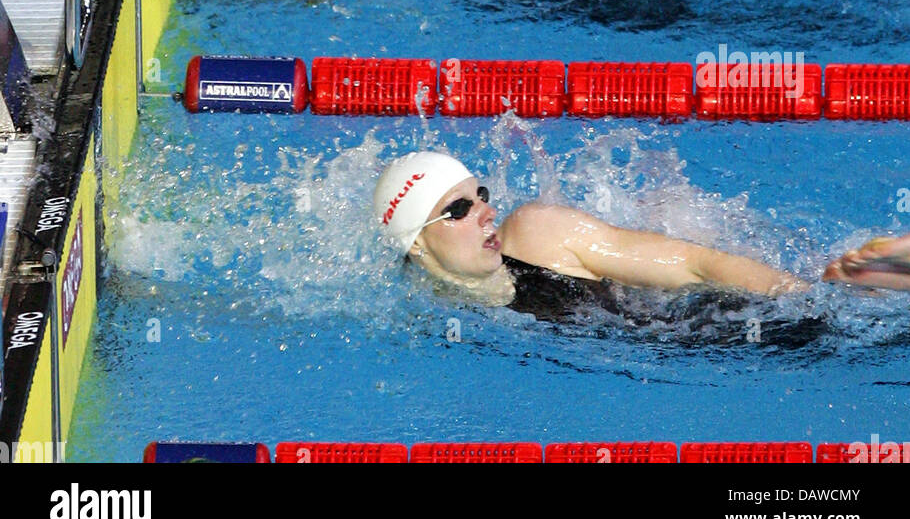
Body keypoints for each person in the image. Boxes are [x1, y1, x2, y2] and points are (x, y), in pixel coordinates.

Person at [374, 151, 910, 320]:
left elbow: (694, 264)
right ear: (416, 243)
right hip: (686, 365)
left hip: (712, 326)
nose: (486, 212)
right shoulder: (423, 306)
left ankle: (850, 286)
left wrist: (800, 295)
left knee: (839, 314)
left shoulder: (537, 235)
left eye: (482, 194)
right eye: (460, 208)